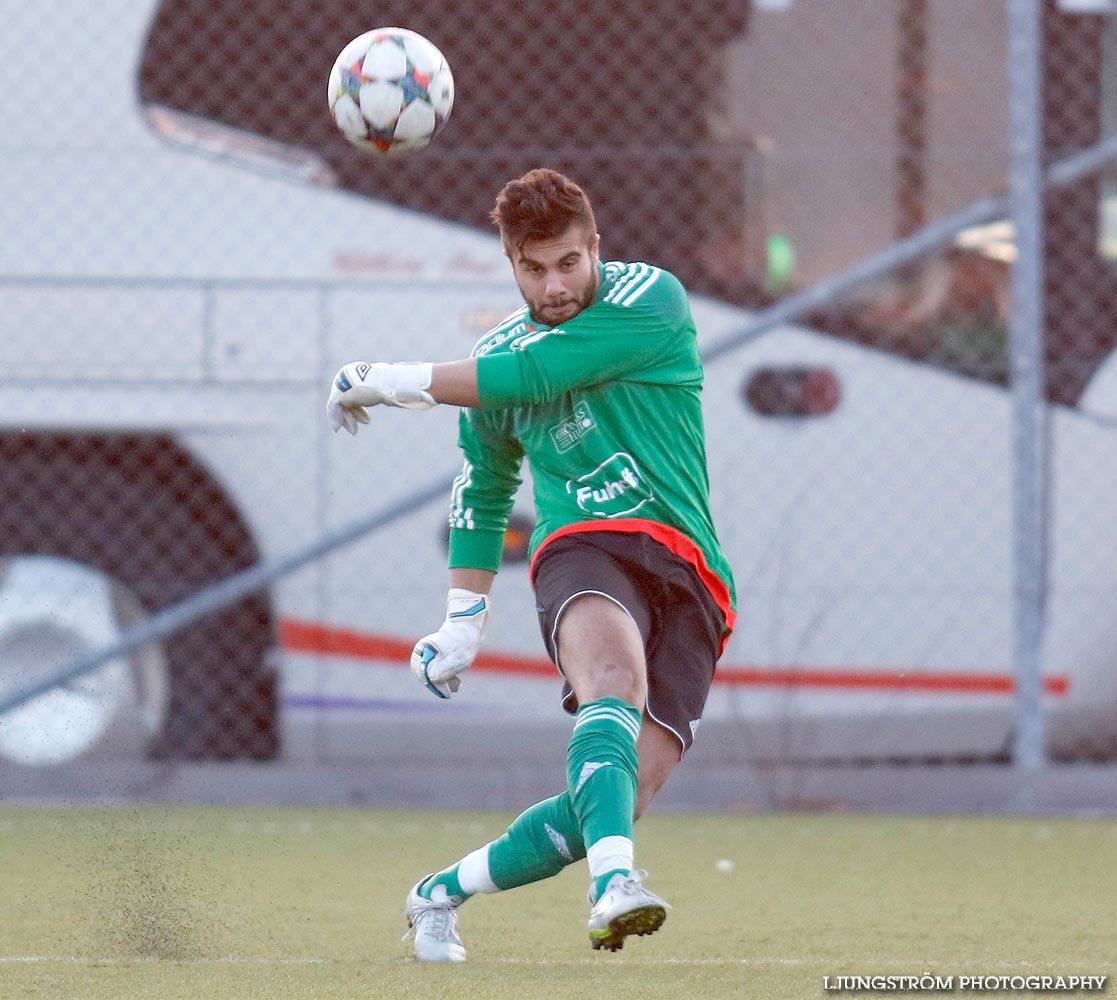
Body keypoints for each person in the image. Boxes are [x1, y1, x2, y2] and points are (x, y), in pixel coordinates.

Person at [326, 168, 736, 961]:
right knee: (610, 683)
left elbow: (539, 374)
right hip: (583, 548)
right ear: (511, 264)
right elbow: (482, 491)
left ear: (596, 250)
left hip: (687, 567)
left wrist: (389, 381)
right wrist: (461, 622)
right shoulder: (494, 358)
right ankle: (615, 886)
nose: (553, 285)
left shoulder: (651, 299)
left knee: (619, 795)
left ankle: (437, 894)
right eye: (533, 268)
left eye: (568, 264)